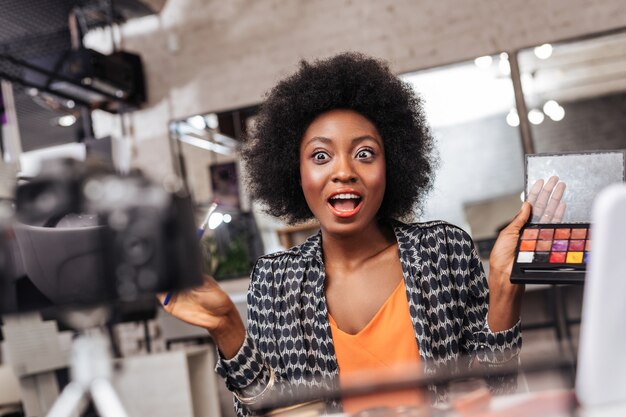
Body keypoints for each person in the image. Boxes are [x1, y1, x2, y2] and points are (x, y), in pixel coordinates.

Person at [161, 53, 552, 416]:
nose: (344, 171)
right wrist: (227, 325)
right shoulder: (274, 280)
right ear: (295, 173)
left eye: (364, 153)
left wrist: (504, 286)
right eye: (320, 156)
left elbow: (497, 394)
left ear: (392, 164)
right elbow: (266, 411)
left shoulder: (442, 250)